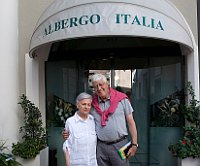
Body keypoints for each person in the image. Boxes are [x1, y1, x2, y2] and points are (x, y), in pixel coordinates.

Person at [63, 73, 138, 166]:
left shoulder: (122, 99)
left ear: (107, 84)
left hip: (120, 145)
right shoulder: (92, 104)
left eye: (101, 84)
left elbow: (131, 123)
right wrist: (68, 132)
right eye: (95, 86)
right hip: (100, 147)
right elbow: (83, 121)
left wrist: (134, 144)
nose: (98, 88)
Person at [63, 92, 98, 166]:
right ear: (77, 105)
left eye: (89, 105)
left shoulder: (93, 121)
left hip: (92, 163)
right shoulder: (70, 122)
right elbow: (67, 146)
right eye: (84, 104)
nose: (86, 107)